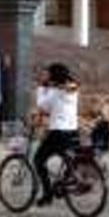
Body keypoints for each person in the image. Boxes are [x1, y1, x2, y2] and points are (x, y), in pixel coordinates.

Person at [33, 62, 80, 207]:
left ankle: (48, 195)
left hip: (58, 132)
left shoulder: (55, 92)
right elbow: (53, 107)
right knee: (67, 158)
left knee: (38, 160)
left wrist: (41, 88)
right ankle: (65, 182)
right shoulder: (72, 89)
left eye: (48, 74)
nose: (46, 76)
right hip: (73, 131)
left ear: (54, 75)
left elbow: (41, 105)